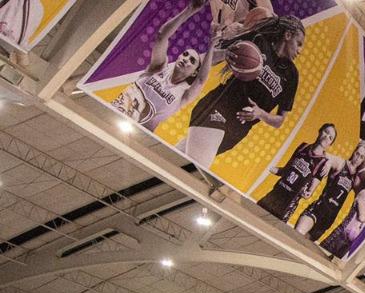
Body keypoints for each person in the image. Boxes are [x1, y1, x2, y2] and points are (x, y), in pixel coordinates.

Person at [179, 15, 305, 170]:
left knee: (175, 160)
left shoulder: (292, 75)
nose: (300, 50)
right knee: (195, 169)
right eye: (298, 44)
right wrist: (224, 53)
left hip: (237, 131)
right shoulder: (258, 40)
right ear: (287, 35)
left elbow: (279, 120)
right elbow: (216, 56)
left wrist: (260, 114)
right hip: (218, 109)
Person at [110, 0, 213, 132]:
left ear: (194, 72)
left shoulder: (184, 94)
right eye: (185, 54)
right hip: (116, 112)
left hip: (138, 132)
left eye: (192, 61)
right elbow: (161, 37)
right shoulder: (159, 68)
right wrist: (189, 10)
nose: (186, 59)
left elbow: (201, 80)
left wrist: (212, 44)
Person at [256, 124, 336, 222]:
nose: (326, 137)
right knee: (254, 216)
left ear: (330, 144)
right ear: (320, 131)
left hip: (288, 202)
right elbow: (284, 170)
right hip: (276, 192)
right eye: (326, 132)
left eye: (330, 137)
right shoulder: (303, 147)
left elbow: (309, 192)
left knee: (270, 227)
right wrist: (266, 166)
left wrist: (306, 193)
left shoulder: (323, 164)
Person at [294, 140, 365, 238]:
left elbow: (361, 194)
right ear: (353, 152)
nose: (358, 158)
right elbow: (327, 156)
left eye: (361, 157)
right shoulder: (341, 164)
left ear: (363, 160)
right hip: (319, 209)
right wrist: (328, 163)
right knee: (298, 233)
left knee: (303, 245)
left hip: (329, 219)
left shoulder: (356, 178)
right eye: (357, 154)